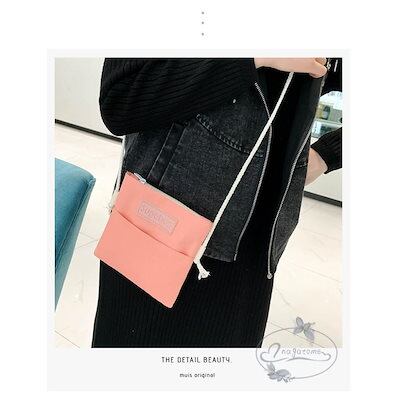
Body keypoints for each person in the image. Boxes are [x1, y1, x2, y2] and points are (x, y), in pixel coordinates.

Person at [92, 58, 338, 347]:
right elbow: (120, 100)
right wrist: (253, 57)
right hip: (158, 228)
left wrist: (326, 154)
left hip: (255, 248)